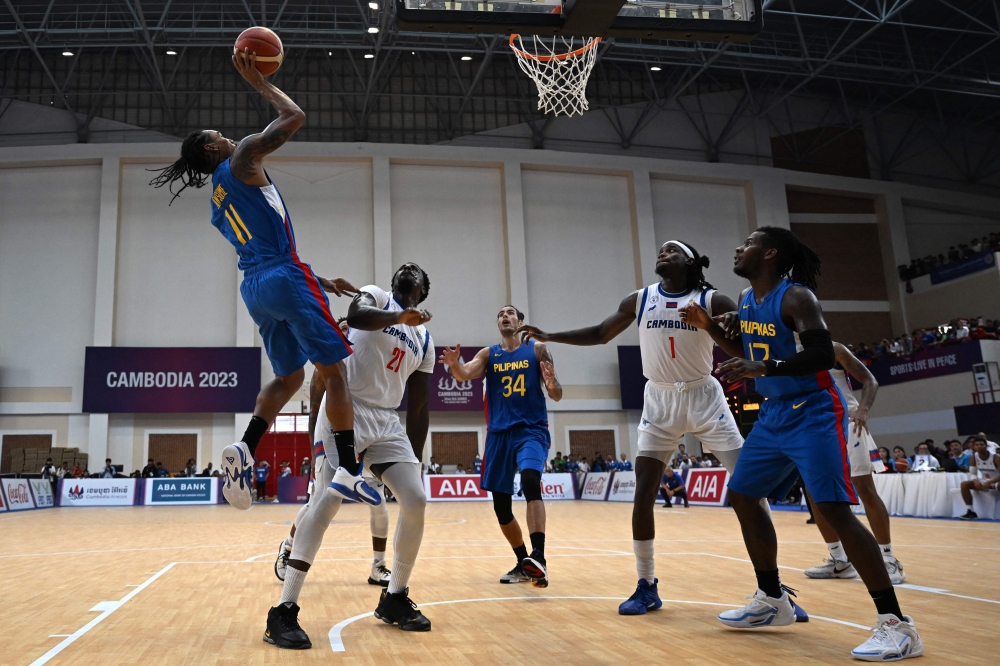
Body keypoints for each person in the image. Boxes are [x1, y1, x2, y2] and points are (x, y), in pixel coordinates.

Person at [147, 47, 375, 512]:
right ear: (211, 149)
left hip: (255, 287)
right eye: (219, 135)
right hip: (283, 276)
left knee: (288, 377)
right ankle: (350, 470)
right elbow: (295, 116)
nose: (228, 136)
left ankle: (246, 447)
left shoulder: (217, 198)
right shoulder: (244, 158)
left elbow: (263, 250)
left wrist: (321, 281)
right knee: (334, 373)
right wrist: (260, 84)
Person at [684, 226, 922, 660]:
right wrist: (710, 329)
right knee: (743, 495)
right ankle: (773, 600)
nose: (738, 247)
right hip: (773, 413)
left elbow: (821, 354)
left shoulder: (797, 298)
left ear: (770, 254)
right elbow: (746, 349)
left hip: (813, 410)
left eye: (749, 243)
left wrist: (764, 367)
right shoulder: (746, 298)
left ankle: (897, 625)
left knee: (833, 509)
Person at [264, 264, 434, 648]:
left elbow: (420, 407)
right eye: (404, 268)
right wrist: (398, 317)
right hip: (345, 407)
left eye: (417, 271)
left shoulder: (424, 339)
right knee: (326, 501)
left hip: (386, 421)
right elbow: (357, 316)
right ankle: (283, 610)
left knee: (415, 499)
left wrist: (416, 460)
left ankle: (394, 596)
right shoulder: (376, 296)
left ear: (423, 291)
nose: (409, 269)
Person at [441, 304, 562, 588]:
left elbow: (556, 394)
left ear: (520, 321)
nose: (505, 316)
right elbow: (464, 374)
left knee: (531, 480)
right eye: (500, 315)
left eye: (510, 313)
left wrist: (551, 382)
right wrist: (454, 364)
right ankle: (524, 563)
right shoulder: (489, 354)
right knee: (501, 508)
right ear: (498, 324)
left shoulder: (537, 350)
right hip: (498, 434)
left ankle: (539, 557)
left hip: (530, 430)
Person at [802, 342, 906, 584]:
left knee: (865, 489)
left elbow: (870, 380)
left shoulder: (833, 349)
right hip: (814, 428)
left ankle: (889, 558)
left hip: (848, 423)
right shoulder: (784, 352)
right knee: (815, 494)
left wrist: (863, 410)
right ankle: (839, 560)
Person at [959, 437, 1000, 520]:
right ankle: (970, 511)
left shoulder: (996, 457)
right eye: (977, 445)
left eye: (981, 444)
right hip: (985, 480)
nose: (979, 446)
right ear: (973, 447)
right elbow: (973, 473)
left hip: (996, 480)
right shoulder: (973, 457)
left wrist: (990, 482)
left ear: (986, 446)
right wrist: (975, 481)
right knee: (964, 484)